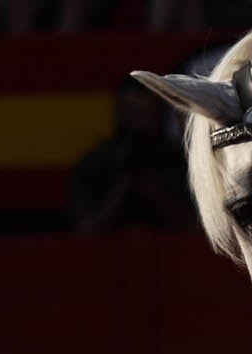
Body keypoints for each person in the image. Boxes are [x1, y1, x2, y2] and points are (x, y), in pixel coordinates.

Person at [68, 77, 197, 235]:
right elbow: (83, 229)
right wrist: (121, 191)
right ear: (120, 113)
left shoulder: (181, 162)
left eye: (149, 116)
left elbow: (202, 232)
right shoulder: (97, 163)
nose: (141, 125)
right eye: (135, 115)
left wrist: (159, 195)